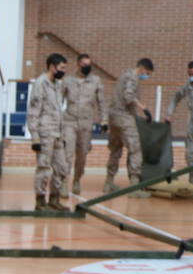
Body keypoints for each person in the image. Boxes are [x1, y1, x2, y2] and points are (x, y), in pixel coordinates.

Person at [105, 57, 154, 198]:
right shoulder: (133, 77)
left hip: (113, 117)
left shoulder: (124, 74)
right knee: (135, 149)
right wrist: (143, 108)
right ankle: (134, 186)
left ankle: (108, 183)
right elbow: (128, 96)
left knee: (115, 149)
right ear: (143, 69)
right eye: (148, 73)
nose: (147, 76)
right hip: (124, 117)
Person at [28, 53, 69, 211]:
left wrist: (63, 135)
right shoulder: (40, 83)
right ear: (52, 66)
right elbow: (33, 112)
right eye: (61, 68)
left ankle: (54, 199)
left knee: (61, 168)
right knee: (44, 168)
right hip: (45, 133)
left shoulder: (58, 84)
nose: (63, 71)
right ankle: (40, 201)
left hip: (58, 134)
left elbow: (59, 111)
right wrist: (35, 138)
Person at [61, 52, 105, 197]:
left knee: (82, 156)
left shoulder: (96, 81)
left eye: (89, 65)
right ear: (78, 64)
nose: (87, 67)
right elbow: (58, 100)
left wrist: (104, 120)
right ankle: (64, 183)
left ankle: (77, 180)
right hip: (69, 121)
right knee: (67, 154)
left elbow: (101, 102)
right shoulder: (67, 81)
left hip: (86, 123)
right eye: (84, 64)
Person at [164, 61, 193, 185]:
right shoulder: (187, 85)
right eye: (189, 74)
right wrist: (169, 113)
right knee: (189, 152)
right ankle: (192, 178)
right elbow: (176, 97)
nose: (191, 76)